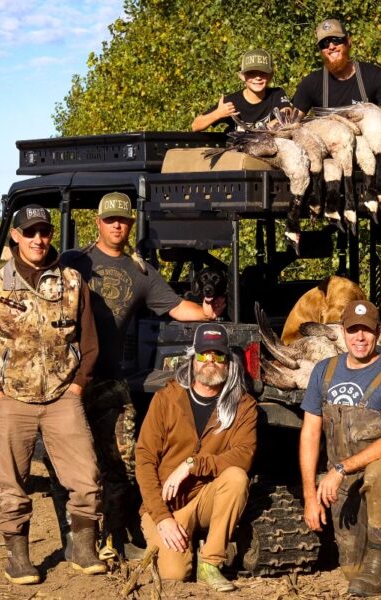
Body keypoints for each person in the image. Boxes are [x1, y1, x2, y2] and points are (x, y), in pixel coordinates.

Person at [60, 191, 224, 557]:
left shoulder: (140, 271)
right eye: (109, 220)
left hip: (110, 381)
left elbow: (178, 307)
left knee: (121, 465)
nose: (117, 225)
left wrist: (209, 313)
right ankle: (75, 541)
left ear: (130, 224)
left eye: (123, 220)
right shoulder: (73, 262)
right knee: (70, 465)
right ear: (98, 223)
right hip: (67, 379)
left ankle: (117, 538)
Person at [0, 204, 106, 584]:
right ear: (15, 236)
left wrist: (78, 386)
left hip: (63, 395)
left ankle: (82, 548)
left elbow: (90, 342)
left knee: (86, 477)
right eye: (29, 232)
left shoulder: (72, 282)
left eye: (43, 232)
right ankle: (18, 558)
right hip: (13, 397)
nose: (37, 239)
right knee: (13, 482)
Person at [299, 300, 381, 597]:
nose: (360, 337)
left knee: (378, 472)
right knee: (352, 568)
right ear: (342, 332)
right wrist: (310, 495)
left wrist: (340, 469)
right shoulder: (324, 372)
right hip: (344, 477)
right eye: (353, 330)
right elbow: (310, 433)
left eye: (366, 330)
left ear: (378, 332)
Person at [135, 323, 257, 592]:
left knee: (236, 477)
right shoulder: (167, 399)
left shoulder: (243, 405)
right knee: (174, 573)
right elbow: (144, 459)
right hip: (169, 506)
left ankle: (211, 561)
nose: (210, 362)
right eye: (203, 355)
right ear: (192, 359)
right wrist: (162, 517)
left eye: (218, 355)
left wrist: (192, 465)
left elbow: (243, 455)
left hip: (206, 497)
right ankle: (180, 540)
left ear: (229, 362)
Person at [292, 18, 381, 118]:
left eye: (336, 40)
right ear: (321, 51)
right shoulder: (311, 83)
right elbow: (292, 120)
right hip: (330, 144)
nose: (331, 46)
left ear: (348, 42)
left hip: (368, 144)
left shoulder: (373, 74)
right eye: (324, 44)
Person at [191, 48, 292, 132]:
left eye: (263, 73)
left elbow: (287, 116)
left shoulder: (276, 94)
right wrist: (218, 113)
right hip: (237, 153)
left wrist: (261, 130)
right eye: (251, 73)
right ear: (242, 76)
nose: (258, 78)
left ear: (271, 76)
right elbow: (195, 126)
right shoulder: (231, 102)